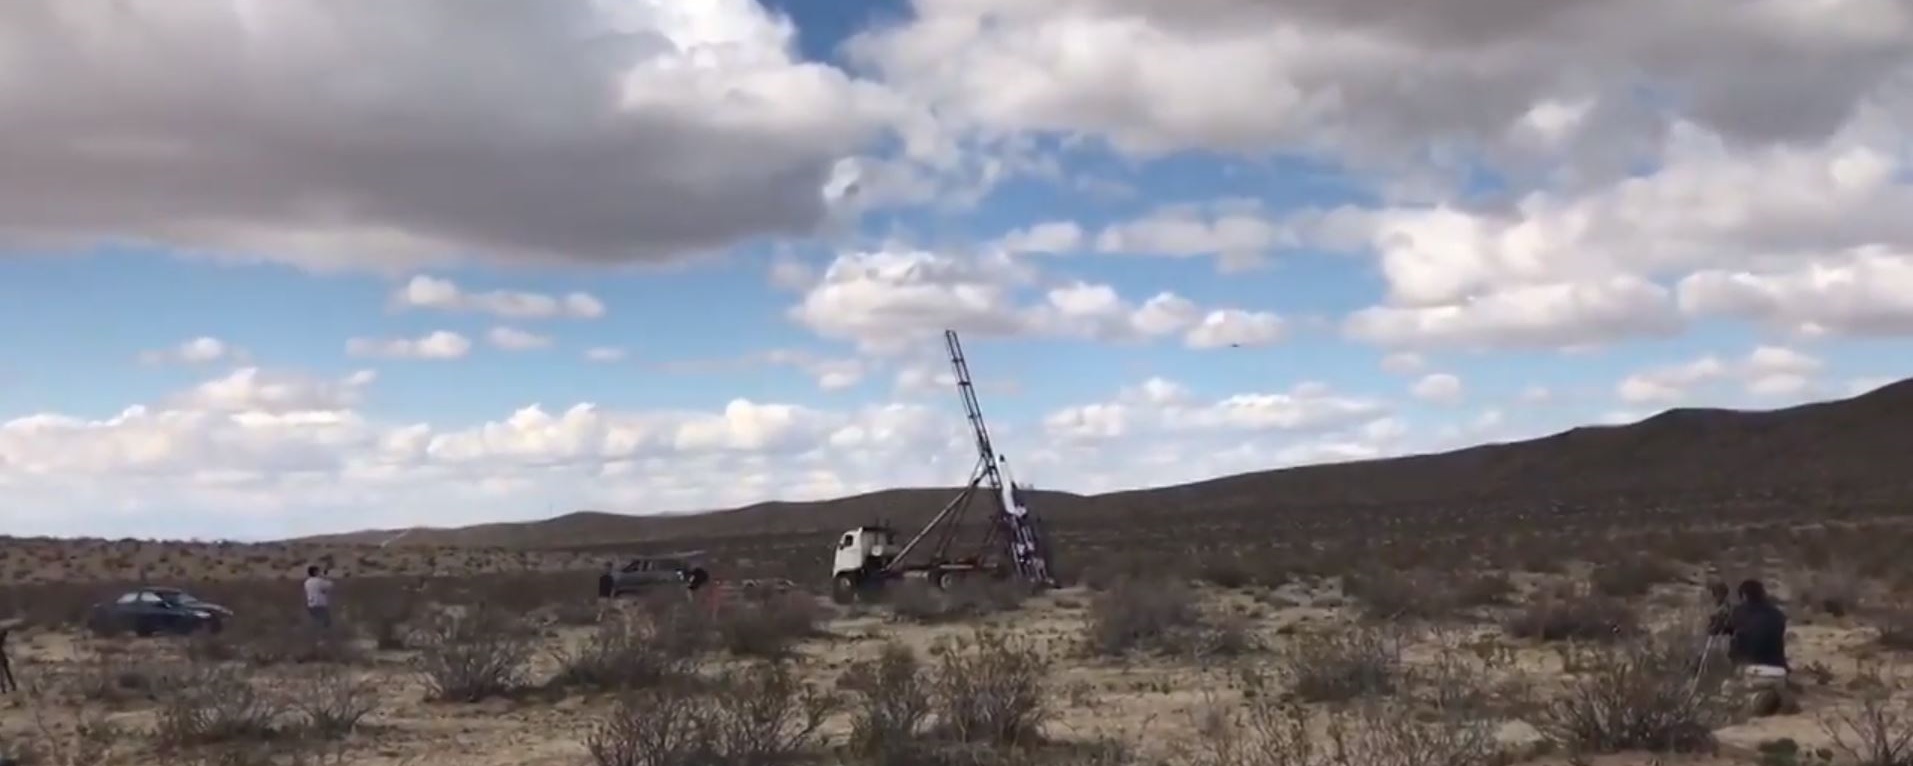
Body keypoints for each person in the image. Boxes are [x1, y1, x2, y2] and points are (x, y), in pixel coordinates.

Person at [303, 565, 334, 630]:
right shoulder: (319, 581)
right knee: (326, 624)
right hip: (320, 604)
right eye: (318, 571)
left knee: (317, 623)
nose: (319, 572)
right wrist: (325, 576)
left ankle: (319, 637)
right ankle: (324, 637)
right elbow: (330, 585)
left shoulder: (307, 582)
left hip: (311, 605)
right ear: (315, 572)